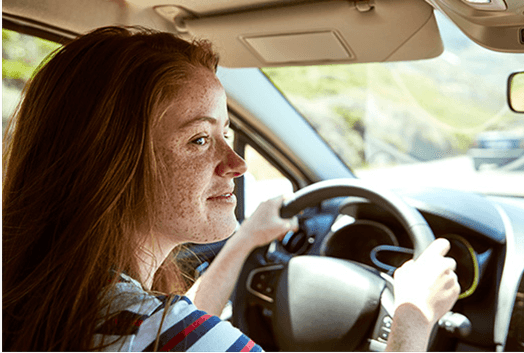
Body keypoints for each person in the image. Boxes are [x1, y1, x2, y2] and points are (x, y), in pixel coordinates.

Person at [2, 26, 460, 352]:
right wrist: (413, 316)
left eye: (226, 133)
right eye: (199, 140)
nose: (237, 164)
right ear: (109, 165)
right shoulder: (162, 334)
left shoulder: (48, 294)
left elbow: (181, 324)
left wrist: (244, 241)